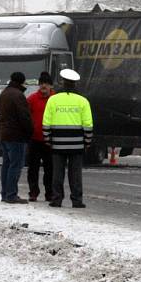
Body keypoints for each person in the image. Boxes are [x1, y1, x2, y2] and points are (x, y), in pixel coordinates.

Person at [42, 69, 93, 208]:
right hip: (77, 145)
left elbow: (46, 122)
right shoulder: (83, 101)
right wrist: (87, 142)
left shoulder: (53, 100)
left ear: (62, 82)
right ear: (75, 84)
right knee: (75, 174)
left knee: (57, 173)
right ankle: (76, 200)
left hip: (57, 144)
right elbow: (88, 125)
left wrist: (48, 139)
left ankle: (57, 199)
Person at [0, 71, 33, 203]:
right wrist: (30, 132)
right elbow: (24, 117)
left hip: (5, 134)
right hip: (16, 135)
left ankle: (5, 194)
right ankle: (12, 195)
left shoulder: (4, 93)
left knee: (6, 165)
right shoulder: (18, 95)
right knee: (16, 165)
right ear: (21, 82)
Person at [26, 71, 55, 201]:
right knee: (33, 168)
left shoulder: (56, 99)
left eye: (46, 83)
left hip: (51, 140)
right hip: (34, 139)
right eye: (42, 83)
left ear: (51, 86)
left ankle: (49, 192)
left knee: (50, 169)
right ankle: (33, 192)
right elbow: (25, 116)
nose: (44, 86)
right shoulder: (31, 99)